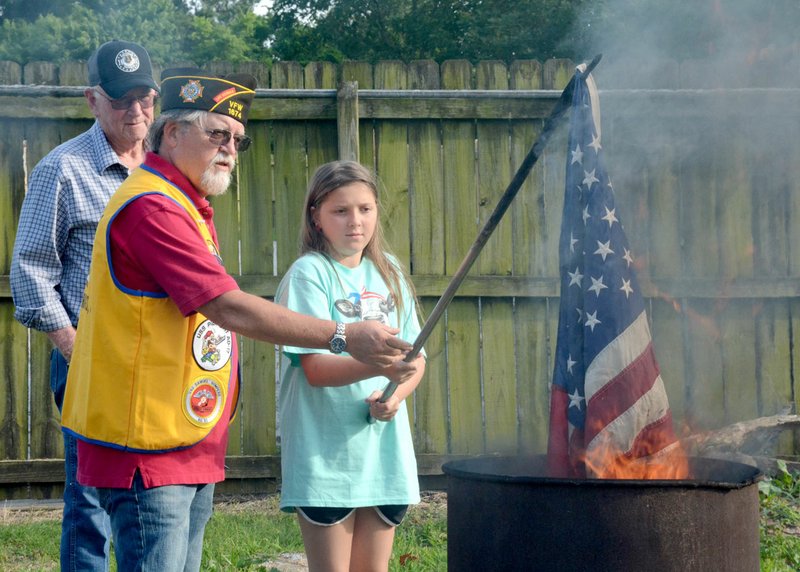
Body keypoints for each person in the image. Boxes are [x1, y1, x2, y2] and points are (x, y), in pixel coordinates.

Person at [59, 69, 413, 572]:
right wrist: (343, 335)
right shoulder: (151, 207)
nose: (229, 148)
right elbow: (225, 305)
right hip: (145, 441)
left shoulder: (183, 202)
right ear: (173, 132)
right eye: (217, 134)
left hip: (179, 434)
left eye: (238, 140)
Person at [10, 39, 159, 572]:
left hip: (158, 363)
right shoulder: (62, 169)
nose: (137, 111)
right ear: (92, 100)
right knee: (93, 501)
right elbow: (29, 271)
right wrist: (74, 348)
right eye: (122, 101)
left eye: (145, 97)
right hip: (89, 359)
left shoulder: (165, 169)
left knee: (150, 500)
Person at [276, 160, 426, 572]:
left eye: (365, 209)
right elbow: (315, 369)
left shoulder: (390, 273)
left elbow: (416, 360)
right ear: (316, 217)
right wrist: (378, 365)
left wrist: (395, 397)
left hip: (384, 454)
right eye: (340, 211)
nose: (355, 222)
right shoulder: (308, 275)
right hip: (326, 455)